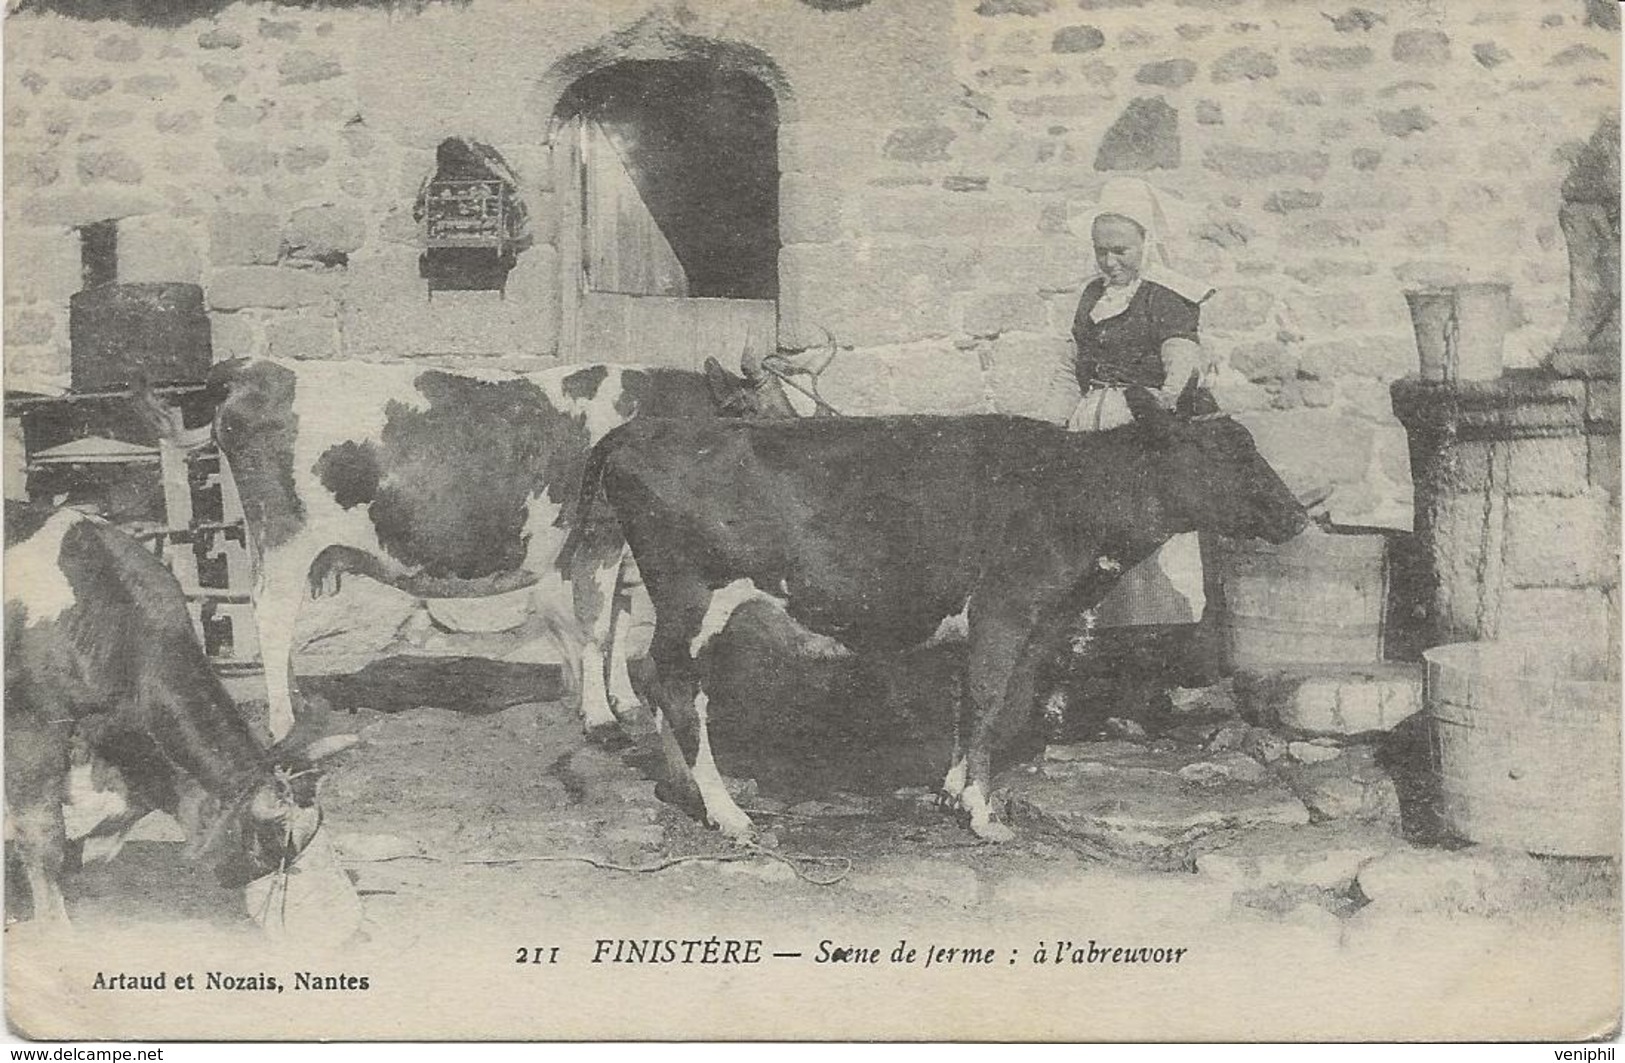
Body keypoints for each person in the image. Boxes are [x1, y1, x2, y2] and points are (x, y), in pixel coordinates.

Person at [1062, 177, 1217, 631]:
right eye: (1101, 251)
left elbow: (1180, 351)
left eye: (1121, 251)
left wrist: (1168, 396)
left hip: (1141, 420)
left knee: (1144, 528)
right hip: (1091, 421)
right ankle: (1092, 634)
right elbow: (1071, 360)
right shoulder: (1093, 296)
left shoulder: (1164, 295)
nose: (1110, 262)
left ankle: (1154, 633)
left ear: (1146, 244)